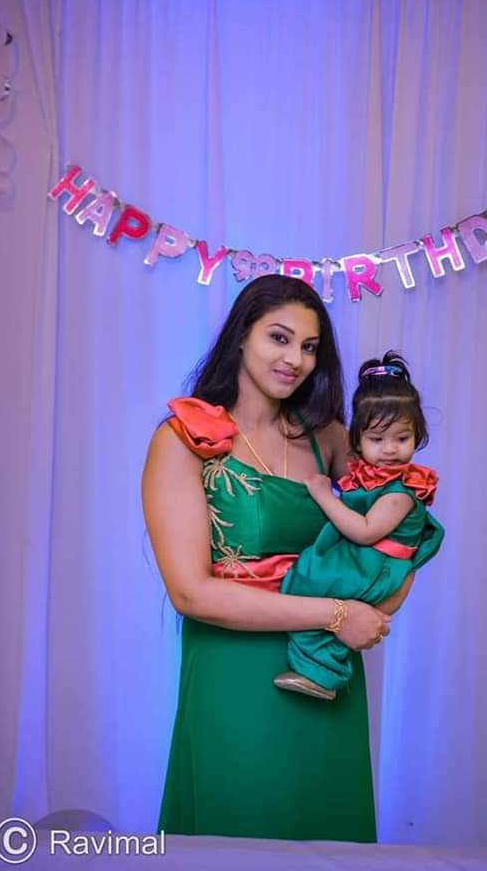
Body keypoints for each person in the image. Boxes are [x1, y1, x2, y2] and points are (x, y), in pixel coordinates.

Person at [141, 275, 415, 842]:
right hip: (233, 673)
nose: (295, 359)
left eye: (309, 347)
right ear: (242, 335)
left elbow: (401, 527)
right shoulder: (183, 439)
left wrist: (383, 600)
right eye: (280, 338)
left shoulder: (330, 438)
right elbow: (190, 592)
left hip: (324, 674)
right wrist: (337, 614)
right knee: (237, 829)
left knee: (328, 834)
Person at [273, 351, 445, 701]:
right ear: (358, 439)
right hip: (365, 561)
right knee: (304, 578)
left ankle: (323, 674)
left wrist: (325, 496)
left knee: (308, 584)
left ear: (418, 435)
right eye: (377, 439)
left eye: (402, 438)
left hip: (376, 567)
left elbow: (366, 531)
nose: (390, 450)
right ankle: (317, 666)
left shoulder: (402, 491)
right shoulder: (374, 477)